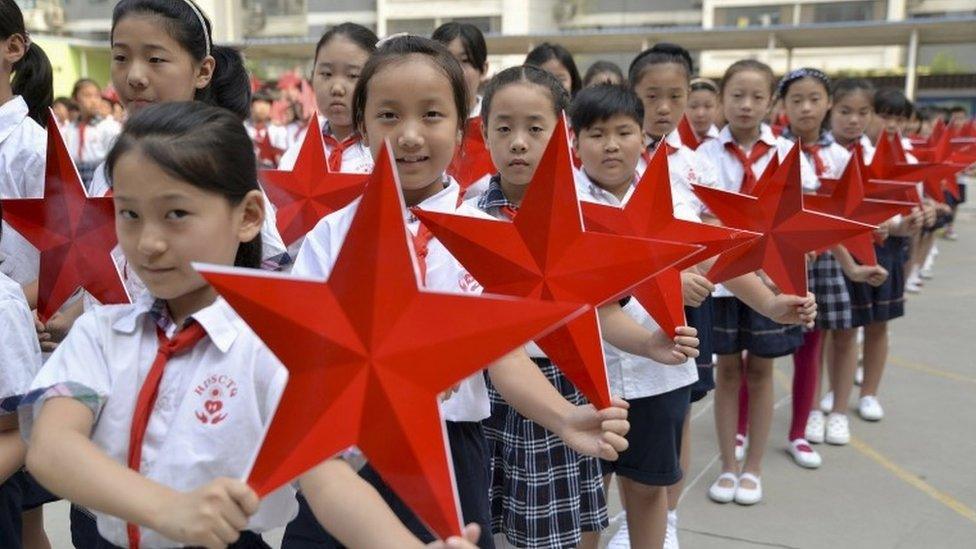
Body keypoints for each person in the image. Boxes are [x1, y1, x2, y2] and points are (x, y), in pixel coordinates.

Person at [20, 101, 484, 549]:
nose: (149, 243)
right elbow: (51, 447)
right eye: (129, 214)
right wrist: (168, 510)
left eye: (176, 214)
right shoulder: (100, 335)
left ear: (247, 217)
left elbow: (328, 480)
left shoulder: (279, 351)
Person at [284, 36, 633, 549]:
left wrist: (564, 416)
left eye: (431, 115)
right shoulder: (331, 236)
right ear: (361, 127)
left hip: (451, 449)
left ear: (461, 125)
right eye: (387, 116)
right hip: (345, 449)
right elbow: (301, 344)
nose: (408, 136)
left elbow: (504, 358)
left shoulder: (489, 241)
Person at [277, 22, 375, 175]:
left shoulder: (387, 151)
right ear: (312, 76)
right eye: (326, 74)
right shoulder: (296, 153)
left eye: (353, 75)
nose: (336, 88)